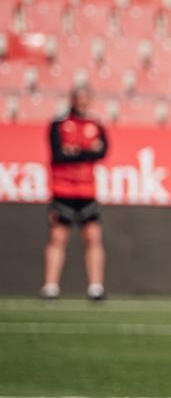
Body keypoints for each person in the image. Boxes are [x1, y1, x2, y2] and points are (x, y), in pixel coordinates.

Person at [43, 85, 108, 301]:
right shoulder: (59, 124)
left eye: (85, 99)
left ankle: (96, 287)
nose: (82, 103)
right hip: (63, 189)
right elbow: (58, 155)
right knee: (57, 237)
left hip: (87, 191)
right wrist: (87, 152)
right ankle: (50, 286)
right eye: (78, 98)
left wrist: (76, 152)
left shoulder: (96, 125)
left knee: (93, 237)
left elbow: (103, 152)